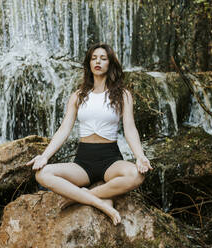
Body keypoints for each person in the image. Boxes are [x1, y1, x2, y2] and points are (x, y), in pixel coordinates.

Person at [26, 43, 152, 226]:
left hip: (110, 160)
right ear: (89, 64)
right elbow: (64, 129)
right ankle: (98, 202)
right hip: (83, 162)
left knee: (137, 175)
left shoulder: (123, 95)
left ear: (110, 63)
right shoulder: (78, 96)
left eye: (103, 58)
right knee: (42, 174)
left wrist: (140, 157)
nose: (98, 62)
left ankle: (81, 197)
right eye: (94, 58)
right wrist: (44, 156)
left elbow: (130, 128)